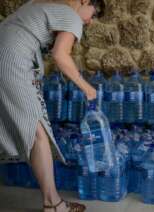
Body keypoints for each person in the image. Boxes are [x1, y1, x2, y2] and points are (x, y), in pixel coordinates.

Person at [0, 0, 98, 211]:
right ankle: (53, 204)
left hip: (6, 55)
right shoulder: (71, 16)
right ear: (85, 1)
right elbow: (60, 55)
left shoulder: (41, 5)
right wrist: (87, 88)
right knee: (38, 132)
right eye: (94, 12)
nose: (90, 22)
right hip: (9, 60)